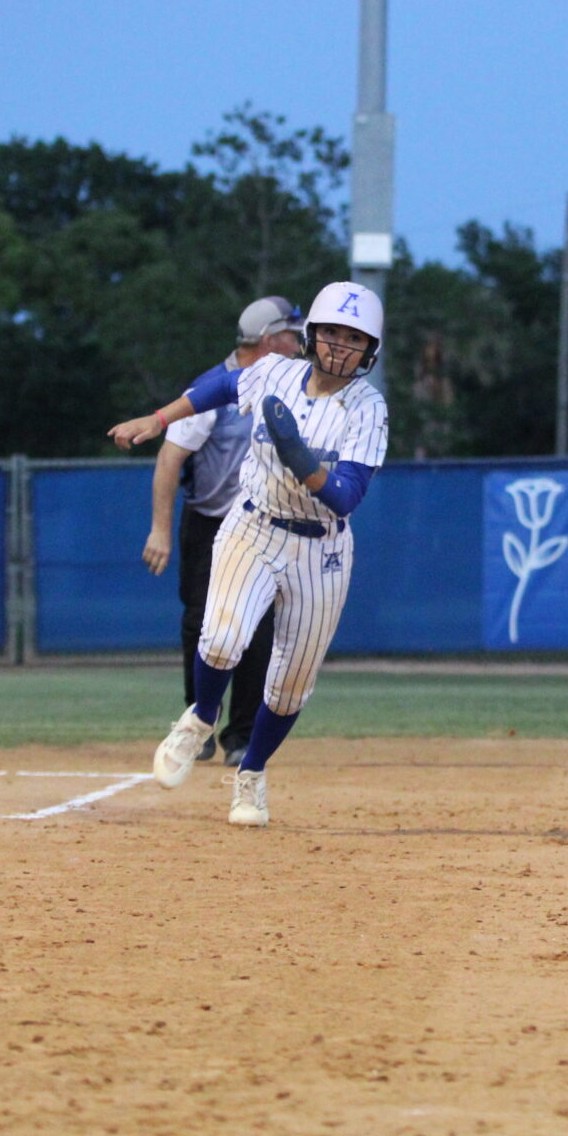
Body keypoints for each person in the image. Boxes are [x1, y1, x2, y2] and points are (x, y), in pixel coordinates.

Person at [107, 282, 389, 828]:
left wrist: (300, 457)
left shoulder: (368, 408)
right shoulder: (277, 370)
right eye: (331, 331)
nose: (339, 345)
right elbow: (224, 385)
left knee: (290, 683)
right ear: (312, 335)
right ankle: (199, 719)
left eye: (353, 337)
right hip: (253, 525)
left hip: (321, 549)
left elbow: (348, 493)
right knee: (221, 636)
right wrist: (158, 419)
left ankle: (252, 775)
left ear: (369, 349)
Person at [142, 296, 302, 765]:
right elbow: (171, 456)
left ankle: (241, 737)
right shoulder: (213, 389)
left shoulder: (292, 387)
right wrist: (160, 530)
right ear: (269, 340)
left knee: (260, 628)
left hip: (264, 525)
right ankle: (200, 725)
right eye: (292, 336)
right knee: (202, 623)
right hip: (209, 524)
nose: (300, 345)